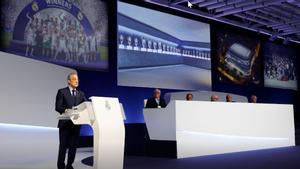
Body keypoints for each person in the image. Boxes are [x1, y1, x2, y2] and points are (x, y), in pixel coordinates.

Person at [55, 72, 87, 169]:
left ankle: (69, 165)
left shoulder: (81, 94)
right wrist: (66, 110)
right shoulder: (62, 92)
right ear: (69, 81)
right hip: (65, 124)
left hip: (76, 124)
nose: (77, 81)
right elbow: (57, 107)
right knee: (63, 147)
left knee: (73, 147)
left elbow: (86, 106)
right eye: (74, 79)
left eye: (77, 79)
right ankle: (61, 166)